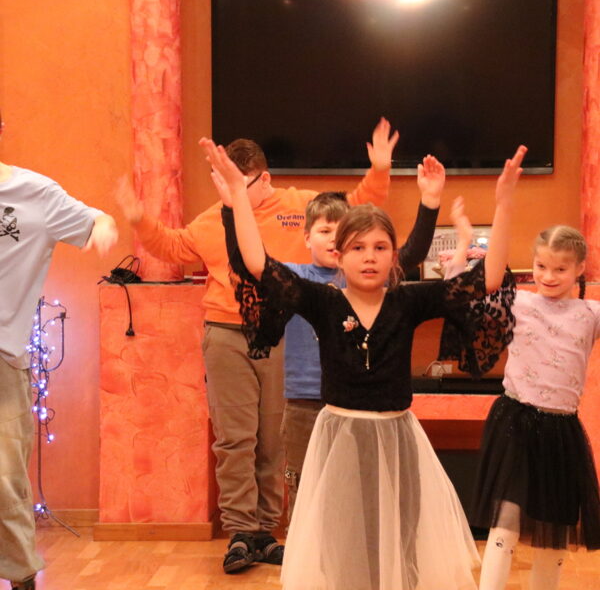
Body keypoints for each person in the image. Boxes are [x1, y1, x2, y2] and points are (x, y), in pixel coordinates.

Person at [205, 138, 526, 590]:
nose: (369, 257)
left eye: (379, 247)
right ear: (340, 255)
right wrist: (239, 196)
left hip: (397, 438)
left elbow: (488, 278)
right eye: (357, 248)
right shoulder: (322, 300)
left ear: (395, 256)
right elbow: (257, 264)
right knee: (341, 541)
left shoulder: (408, 301)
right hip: (338, 436)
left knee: (399, 536)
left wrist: (505, 203)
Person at [118, 119, 409, 573]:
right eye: (221, 182)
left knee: (273, 438)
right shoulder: (211, 219)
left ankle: (267, 531)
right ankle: (241, 531)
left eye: (238, 183)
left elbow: (355, 209)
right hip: (225, 334)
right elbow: (173, 246)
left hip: (279, 336)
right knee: (235, 438)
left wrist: (380, 169)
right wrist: (139, 219)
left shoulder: (297, 206)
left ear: (265, 179)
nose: (228, 191)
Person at [268, 156, 444, 524]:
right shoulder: (298, 279)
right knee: (307, 491)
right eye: (324, 230)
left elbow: (410, 253)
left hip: (357, 409)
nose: (333, 238)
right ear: (307, 237)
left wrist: (429, 204)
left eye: (341, 231)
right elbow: (258, 267)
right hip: (303, 403)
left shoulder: (369, 277)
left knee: (361, 497)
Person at [447, 214, 600, 589]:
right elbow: (462, 296)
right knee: (505, 524)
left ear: (580, 269)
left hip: (561, 430)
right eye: (541, 266)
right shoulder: (519, 302)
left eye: (560, 269)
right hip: (515, 423)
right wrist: (461, 251)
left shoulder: (591, 314)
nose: (549, 276)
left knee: (554, 534)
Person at [0, 110, 118, 590]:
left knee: (4, 477)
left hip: (2, 358)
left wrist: (104, 227)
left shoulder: (35, 193)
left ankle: (21, 576)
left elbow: (94, 219)